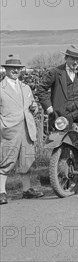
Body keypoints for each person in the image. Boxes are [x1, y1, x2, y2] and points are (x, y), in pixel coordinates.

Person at [0, 55, 44, 205]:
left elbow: (33, 106)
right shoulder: (1, 88)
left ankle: (27, 190)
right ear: (6, 70)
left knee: (27, 160)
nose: (15, 71)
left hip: (27, 129)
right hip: (9, 130)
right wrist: (2, 125)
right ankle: (1, 192)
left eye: (18, 69)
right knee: (6, 160)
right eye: (12, 68)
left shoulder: (26, 87)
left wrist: (35, 108)